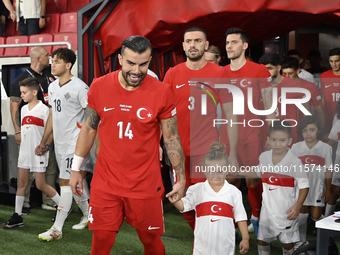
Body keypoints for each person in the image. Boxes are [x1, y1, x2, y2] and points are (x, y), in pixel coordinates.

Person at [69, 35, 185, 255]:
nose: (136, 70)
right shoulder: (100, 86)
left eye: (143, 64)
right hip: (106, 181)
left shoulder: (162, 91)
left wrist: (180, 178)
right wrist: (76, 168)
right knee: (101, 240)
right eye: (131, 63)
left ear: (150, 61)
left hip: (145, 183)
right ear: (120, 59)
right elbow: (89, 128)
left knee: (150, 239)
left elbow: (171, 138)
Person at [163, 26, 238, 230]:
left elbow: (231, 115)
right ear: (183, 46)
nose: (193, 45)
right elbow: (162, 115)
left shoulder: (220, 73)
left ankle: (214, 233)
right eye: (189, 41)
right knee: (183, 197)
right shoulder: (172, 74)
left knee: (207, 197)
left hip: (207, 150)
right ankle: (200, 231)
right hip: (177, 149)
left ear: (205, 45)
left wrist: (232, 152)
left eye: (197, 41)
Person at [220, 27, 275, 236]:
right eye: (227, 43)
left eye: (233, 42)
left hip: (254, 135)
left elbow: (270, 104)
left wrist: (272, 133)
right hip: (229, 135)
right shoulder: (222, 73)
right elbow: (227, 112)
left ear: (244, 45)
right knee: (232, 180)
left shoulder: (259, 70)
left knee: (253, 180)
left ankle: (257, 218)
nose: (229, 46)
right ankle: (233, 228)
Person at [35, 48, 92, 241]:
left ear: (68, 65)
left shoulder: (81, 87)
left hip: (74, 144)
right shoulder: (52, 87)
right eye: (52, 61)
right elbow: (53, 115)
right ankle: (88, 215)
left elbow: (91, 118)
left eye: (57, 61)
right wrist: (44, 141)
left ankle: (57, 229)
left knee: (65, 183)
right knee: (77, 182)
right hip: (59, 144)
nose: (53, 64)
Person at [237, 120, 309, 255]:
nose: (277, 144)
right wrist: (238, 171)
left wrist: (298, 206)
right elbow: (257, 173)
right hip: (267, 213)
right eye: (274, 140)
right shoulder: (264, 157)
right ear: (268, 140)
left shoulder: (295, 161)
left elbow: (304, 186)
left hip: (286, 213)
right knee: (262, 242)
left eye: (282, 140)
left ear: (289, 141)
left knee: (287, 244)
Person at [170, 141, 249, 255]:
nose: (216, 175)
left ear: (227, 170)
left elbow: (240, 217)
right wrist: (175, 200)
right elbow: (183, 206)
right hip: (201, 248)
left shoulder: (234, 192)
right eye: (211, 171)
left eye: (220, 171)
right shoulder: (197, 189)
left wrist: (245, 239)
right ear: (204, 170)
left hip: (225, 248)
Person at [2, 77, 60, 229]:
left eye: (24, 92)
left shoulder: (45, 110)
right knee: (22, 184)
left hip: (38, 153)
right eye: (21, 92)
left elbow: (51, 132)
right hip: (25, 153)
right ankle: (17, 215)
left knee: (41, 184)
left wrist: (46, 146)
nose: (21, 95)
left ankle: (63, 208)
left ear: (34, 92)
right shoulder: (23, 109)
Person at [10, 46, 58, 214]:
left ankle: (50, 201)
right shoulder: (22, 79)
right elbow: (15, 106)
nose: (49, 57)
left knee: (51, 166)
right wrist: (17, 131)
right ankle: (24, 204)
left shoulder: (50, 76)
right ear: (37, 59)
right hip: (30, 131)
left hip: (49, 128)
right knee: (27, 170)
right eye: (47, 55)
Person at [291, 116, 332, 243]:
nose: (308, 133)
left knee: (316, 215)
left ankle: (327, 236)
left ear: (318, 130)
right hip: (301, 187)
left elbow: (329, 169)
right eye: (305, 130)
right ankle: (301, 242)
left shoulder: (325, 148)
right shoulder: (296, 147)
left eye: (312, 130)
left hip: (317, 187)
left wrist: (328, 188)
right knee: (302, 216)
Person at [258, 53, 311, 144]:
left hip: (290, 138)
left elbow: (307, 114)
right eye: (263, 69)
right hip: (267, 137)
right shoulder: (259, 87)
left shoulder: (295, 86)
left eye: (270, 68)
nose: (266, 72)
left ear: (279, 68)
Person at [281, 56, 325, 126]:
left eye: (290, 73)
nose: (287, 77)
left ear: (298, 71)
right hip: (284, 130)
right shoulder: (278, 87)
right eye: (284, 73)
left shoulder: (310, 86)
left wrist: (320, 133)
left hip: (304, 130)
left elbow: (320, 112)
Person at [320, 48, 340, 139]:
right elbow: (323, 97)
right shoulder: (324, 76)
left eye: (337, 61)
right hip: (328, 117)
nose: (334, 64)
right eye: (331, 61)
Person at [326, 101, 340, 216]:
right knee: (334, 190)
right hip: (338, 161)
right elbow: (330, 143)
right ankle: (326, 220)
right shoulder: (338, 123)